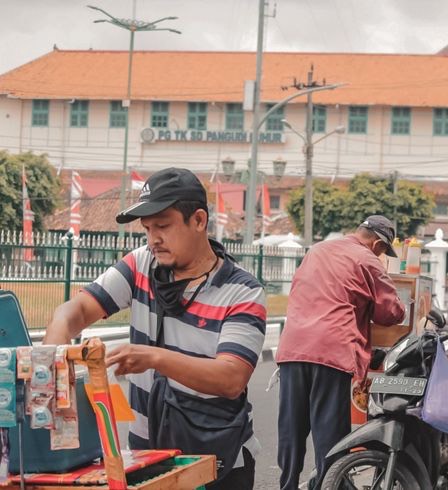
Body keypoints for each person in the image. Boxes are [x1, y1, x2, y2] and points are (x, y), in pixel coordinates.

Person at [44, 168, 265, 489]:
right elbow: (74, 311)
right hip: (149, 460)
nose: (153, 239)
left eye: (163, 226)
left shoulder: (242, 291)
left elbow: (230, 378)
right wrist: (54, 359)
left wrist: (155, 359)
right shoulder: (141, 265)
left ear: (199, 220)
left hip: (218, 462)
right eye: (147, 229)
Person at [276, 215, 405, 489]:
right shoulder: (368, 260)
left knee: (291, 428)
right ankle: (329, 485)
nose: (383, 255)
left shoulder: (317, 250)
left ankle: (287, 484)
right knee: (329, 433)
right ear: (378, 243)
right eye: (384, 250)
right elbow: (392, 312)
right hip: (331, 350)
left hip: (293, 347)